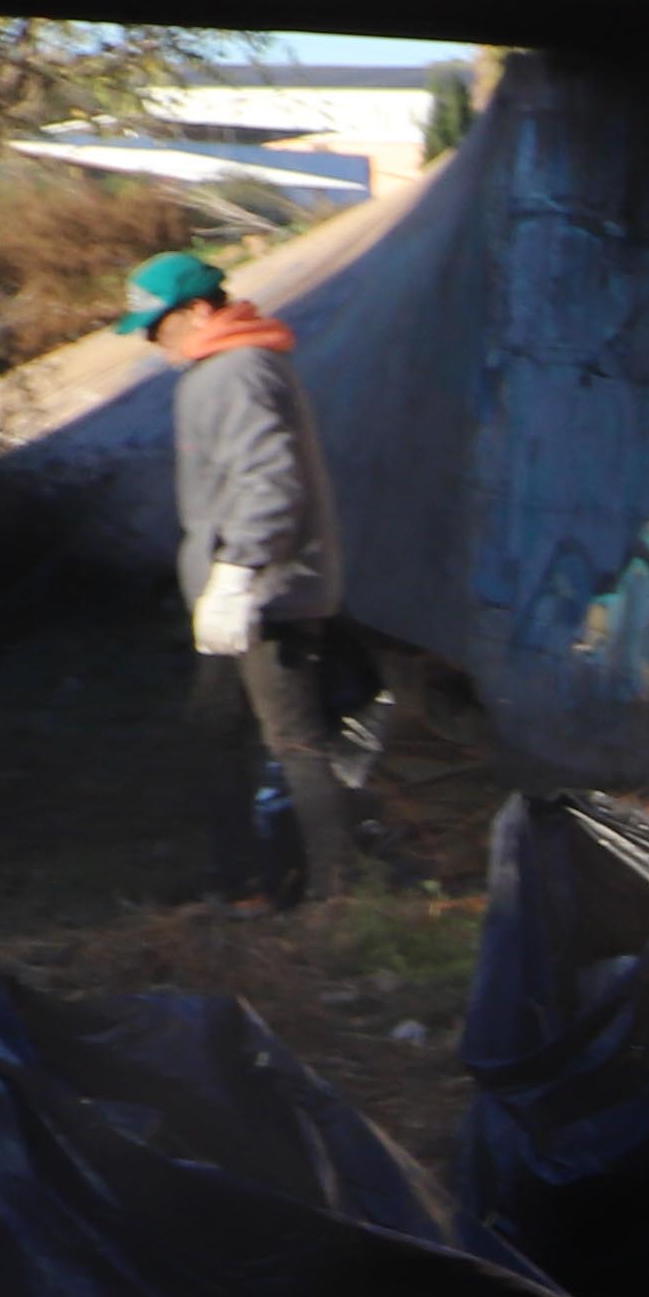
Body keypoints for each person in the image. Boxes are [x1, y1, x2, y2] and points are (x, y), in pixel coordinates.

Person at [124, 248, 378, 907]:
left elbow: (271, 481)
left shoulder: (238, 371)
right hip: (236, 599)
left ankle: (334, 894)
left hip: (266, 598)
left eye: (161, 327)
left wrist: (237, 573)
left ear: (200, 310)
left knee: (295, 741)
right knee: (215, 737)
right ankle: (244, 884)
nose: (155, 344)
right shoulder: (224, 370)